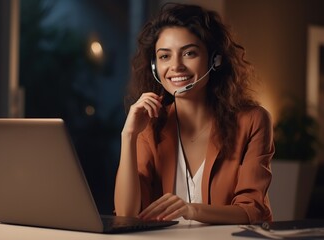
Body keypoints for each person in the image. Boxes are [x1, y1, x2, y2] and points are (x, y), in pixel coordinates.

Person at [114, 3, 274, 224]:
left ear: (214, 59)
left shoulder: (253, 121)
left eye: (189, 53)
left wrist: (191, 210)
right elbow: (126, 214)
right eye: (164, 56)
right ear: (154, 66)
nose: (176, 66)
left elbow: (253, 211)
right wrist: (128, 135)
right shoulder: (150, 125)